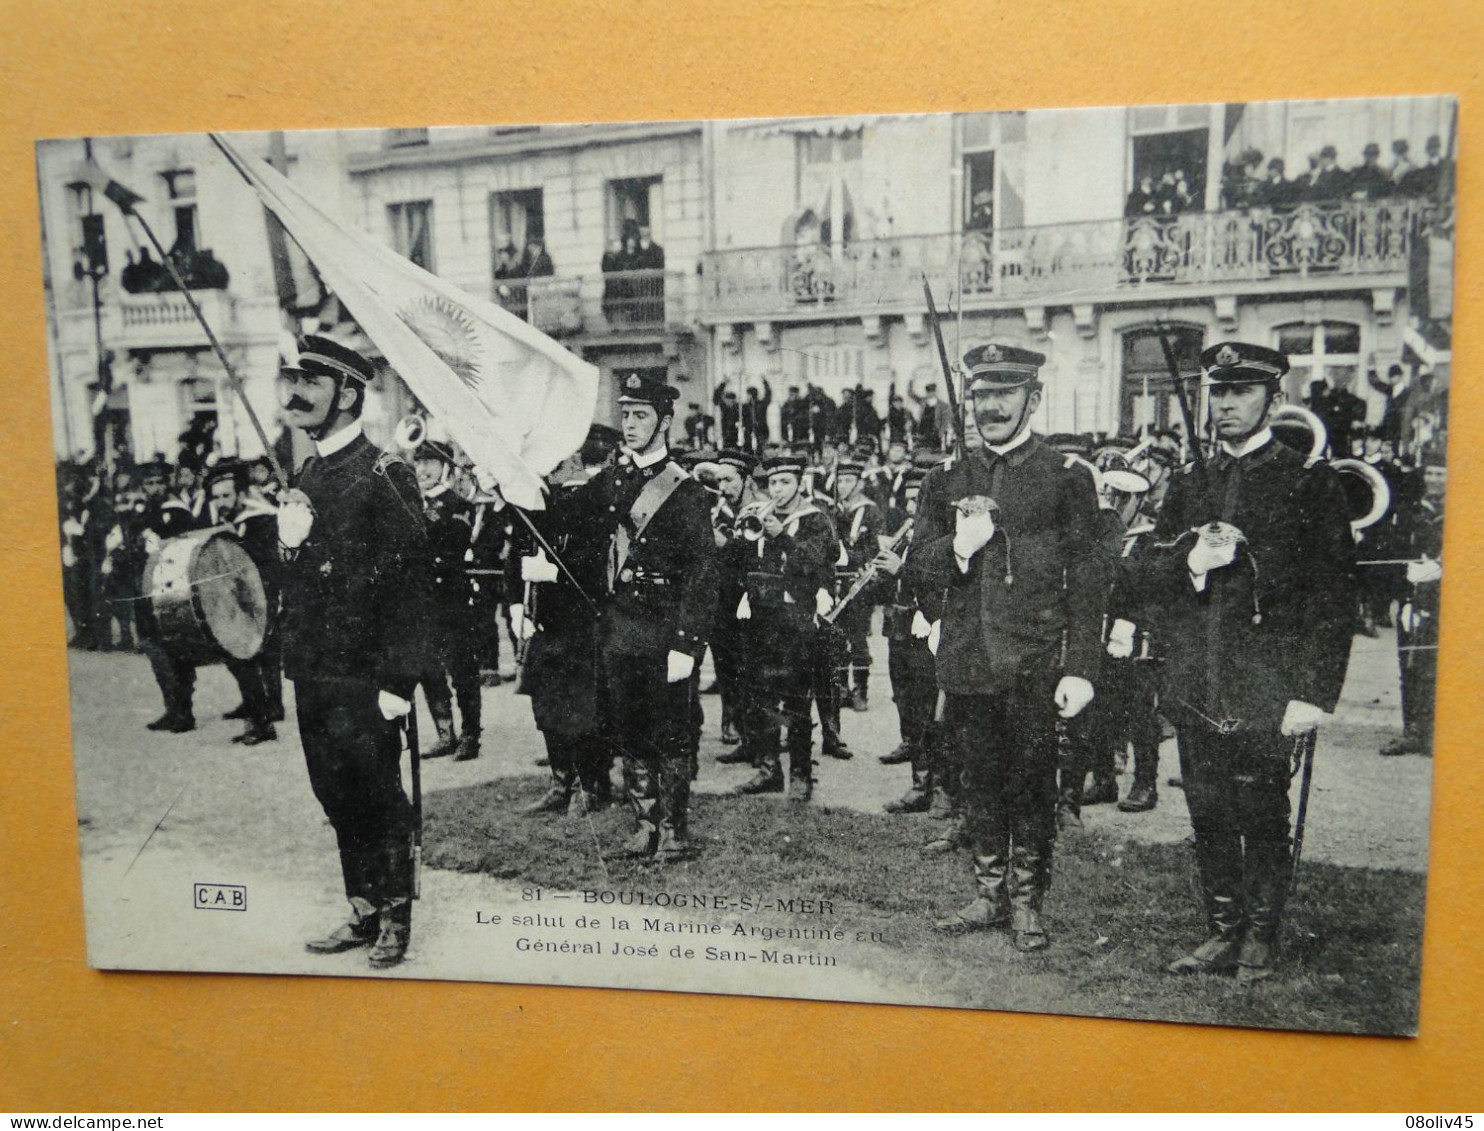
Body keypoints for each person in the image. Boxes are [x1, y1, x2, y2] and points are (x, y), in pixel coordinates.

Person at [1134, 342, 1356, 983]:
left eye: (1241, 392)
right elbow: (1145, 573)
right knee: (1206, 809)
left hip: (1268, 682)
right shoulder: (1190, 483)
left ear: (1273, 400)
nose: (1225, 404)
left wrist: (1312, 693)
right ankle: (1221, 930)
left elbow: (1333, 596)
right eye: (1218, 392)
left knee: (1262, 810)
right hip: (1197, 680)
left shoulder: (1308, 480)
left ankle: (1260, 936)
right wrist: (1192, 563)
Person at [908, 344, 1106, 951]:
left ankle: (1027, 901)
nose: (991, 406)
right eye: (982, 394)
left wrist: (1082, 667)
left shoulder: (1065, 478)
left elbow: (1090, 579)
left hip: (1035, 661)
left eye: (1005, 393)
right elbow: (919, 566)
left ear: (1032, 398)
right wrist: (961, 548)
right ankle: (988, 893)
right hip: (969, 657)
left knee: (1031, 782)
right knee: (979, 780)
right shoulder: (945, 479)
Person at [276, 334, 433, 970]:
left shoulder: (384, 472)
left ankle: (396, 913)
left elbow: (415, 586)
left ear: (346, 394)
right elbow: (304, 580)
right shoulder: (308, 473)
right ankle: (363, 906)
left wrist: (400, 680)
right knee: (333, 789)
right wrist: (289, 547)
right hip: (314, 666)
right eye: (293, 381)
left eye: (309, 383)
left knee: (375, 790)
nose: (294, 394)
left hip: (367, 673)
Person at [539, 372, 718, 859]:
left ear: (665, 422)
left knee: (672, 729)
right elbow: (566, 518)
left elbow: (703, 575)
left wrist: (687, 642)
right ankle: (645, 826)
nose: (630, 424)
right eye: (626, 414)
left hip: (664, 628)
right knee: (630, 728)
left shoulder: (686, 490)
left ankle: (675, 832)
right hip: (619, 627)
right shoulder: (611, 480)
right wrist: (520, 486)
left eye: (641, 415)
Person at [726, 453, 838, 800]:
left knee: (795, 699)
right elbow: (738, 563)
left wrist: (781, 537)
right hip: (762, 615)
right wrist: (739, 540)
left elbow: (816, 562)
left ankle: (801, 775)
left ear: (798, 484)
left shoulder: (815, 519)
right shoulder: (759, 514)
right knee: (760, 696)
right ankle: (768, 768)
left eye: (784, 482)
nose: (777, 489)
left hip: (795, 618)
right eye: (772, 482)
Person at [412, 441, 483, 763]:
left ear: (444, 467)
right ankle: (445, 733)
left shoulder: (458, 503)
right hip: (422, 599)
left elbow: (454, 544)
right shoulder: (410, 502)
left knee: (462, 669)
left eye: (430, 462)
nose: (423, 470)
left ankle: (470, 734)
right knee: (429, 668)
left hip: (452, 598)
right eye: (419, 463)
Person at [1381, 452, 1444, 757]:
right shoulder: (1411, 511)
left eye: (1440, 473)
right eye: (1430, 473)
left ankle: (1434, 733)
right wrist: (1399, 596)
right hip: (1412, 598)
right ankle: (1412, 731)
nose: (1434, 479)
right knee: (1409, 665)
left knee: (1436, 668)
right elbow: (1397, 554)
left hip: (1444, 603)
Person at [133, 460, 204, 732]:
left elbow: (187, 547)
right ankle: (172, 708)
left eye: (158, 482)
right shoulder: (142, 512)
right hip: (145, 589)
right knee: (156, 650)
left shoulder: (176, 512)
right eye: (149, 483)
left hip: (171, 588)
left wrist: (160, 545)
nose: (154, 488)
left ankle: (183, 712)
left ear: (167, 483)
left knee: (174, 649)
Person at [829, 457, 889, 712]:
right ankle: (841, 687)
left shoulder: (872, 511)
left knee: (858, 638)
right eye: (840, 480)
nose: (842, 486)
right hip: (836, 583)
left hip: (860, 583)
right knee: (837, 637)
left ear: (859, 483)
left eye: (848, 481)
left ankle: (860, 690)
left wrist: (854, 559)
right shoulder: (834, 512)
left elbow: (877, 549)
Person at [741, 380, 773, 454]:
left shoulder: (761, 405)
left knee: (759, 451)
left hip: (761, 432)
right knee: (748, 452)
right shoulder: (745, 407)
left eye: (749, 394)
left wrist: (765, 383)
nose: (748, 396)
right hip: (749, 433)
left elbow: (768, 395)